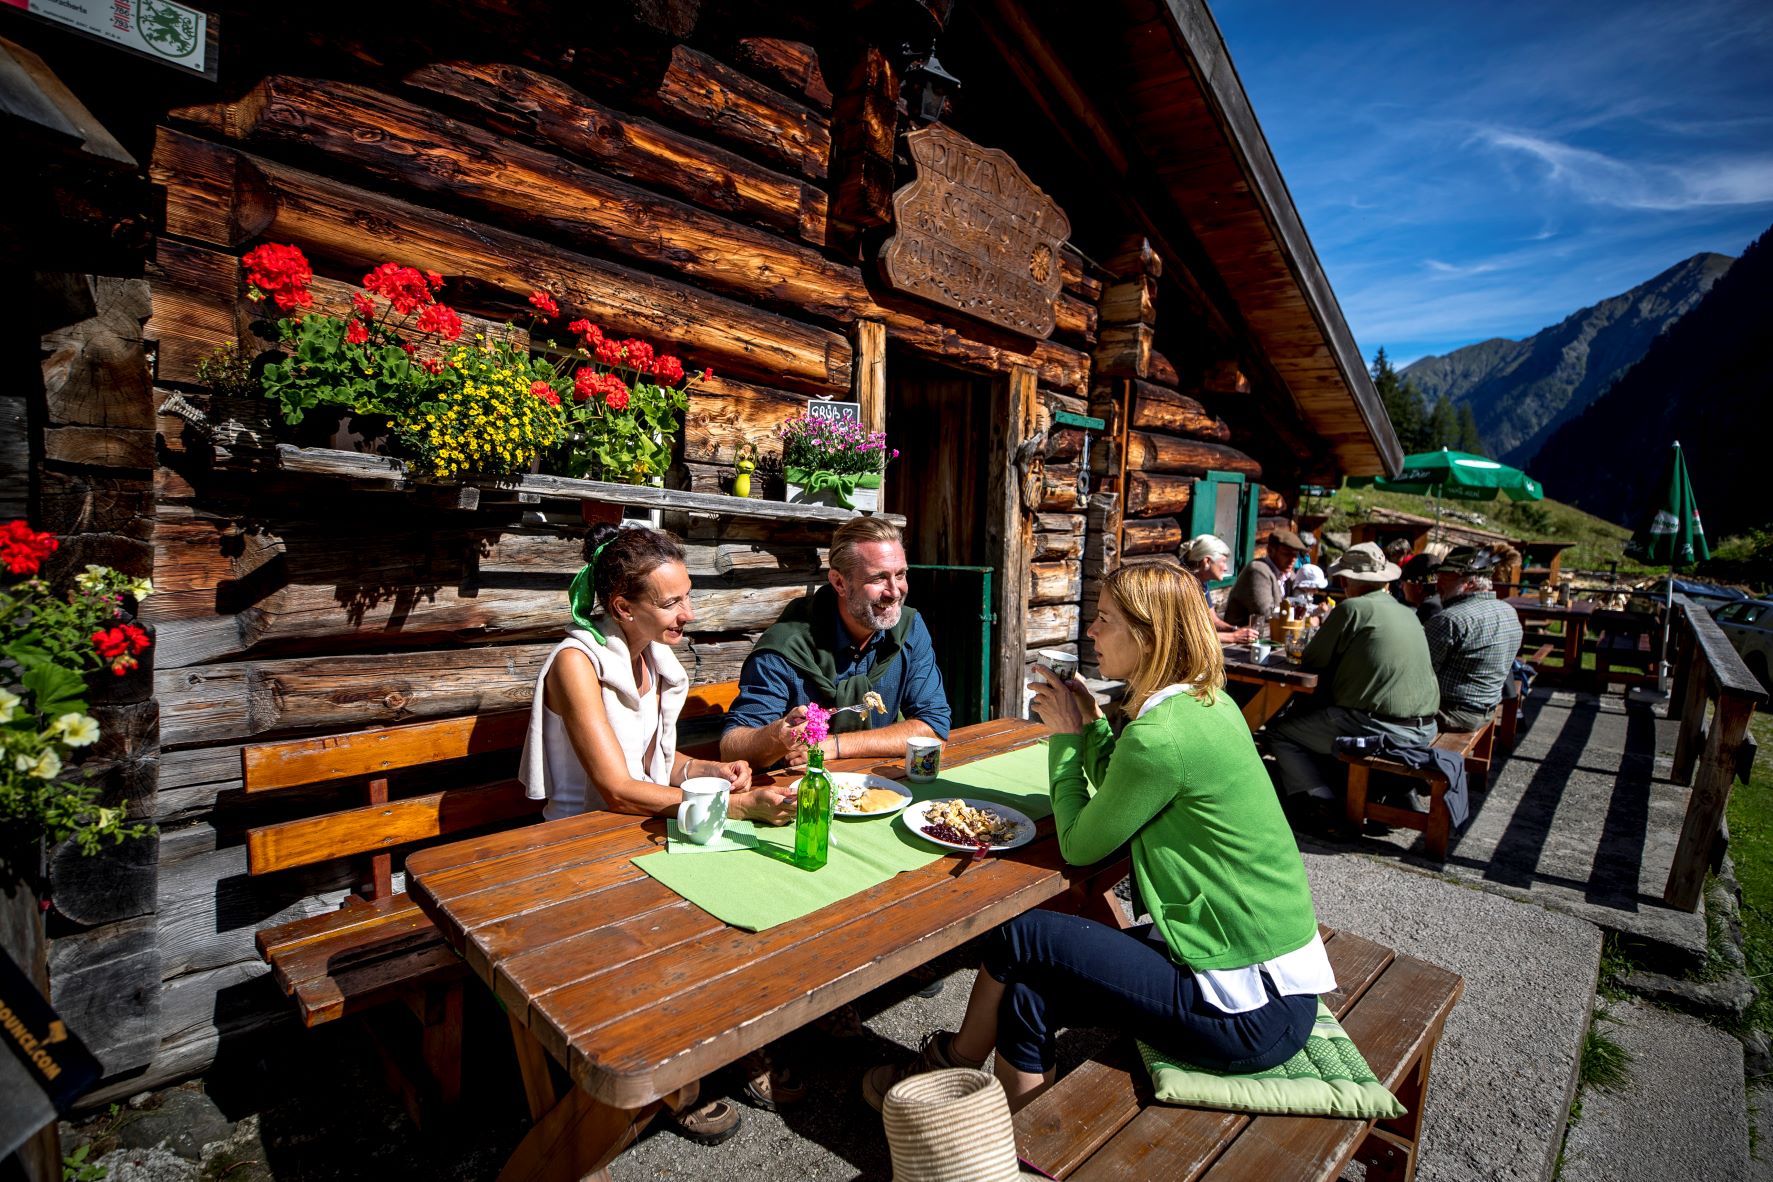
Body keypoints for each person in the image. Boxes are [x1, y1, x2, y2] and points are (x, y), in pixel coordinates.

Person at [861, 563, 1333, 1113]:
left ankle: (950, 1065)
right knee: (1027, 992)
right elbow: (1126, 790)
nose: (1090, 631)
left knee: (1022, 934)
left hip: (1245, 1004)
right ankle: (1026, 1144)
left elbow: (1081, 846)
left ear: (1148, 635)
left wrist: (1065, 742)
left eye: (1104, 619)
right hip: (1259, 969)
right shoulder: (1206, 703)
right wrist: (1093, 727)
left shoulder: (1163, 735)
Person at [518, 523, 797, 1143]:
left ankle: (724, 1041)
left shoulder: (652, 660)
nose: (688, 615)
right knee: (694, 911)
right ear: (623, 606)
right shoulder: (576, 662)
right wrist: (740, 808)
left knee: (753, 889)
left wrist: (712, 772)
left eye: (686, 597)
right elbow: (616, 787)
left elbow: (656, 763)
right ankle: (673, 1077)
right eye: (672, 603)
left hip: (633, 828)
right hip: (577, 847)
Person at [721, 517, 951, 768]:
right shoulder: (786, 647)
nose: (894, 592)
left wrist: (835, 746)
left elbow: (934, 728)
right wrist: (778, 736)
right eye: (878, 578)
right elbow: (732, 749)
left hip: (880, 787)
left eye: (901, 574)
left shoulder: (908, 628)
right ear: (839, 582)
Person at [1264, 542, 1440, 813]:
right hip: (1425, 728)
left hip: (1379, 728)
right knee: (1323, 716)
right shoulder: (1408, 612)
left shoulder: (1352, 609)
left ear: (1346, 580)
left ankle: (1320, 802)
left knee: (1278, 731)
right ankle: (1380, 788)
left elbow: (1312, 660)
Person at [1425, 546, 1524, 733]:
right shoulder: (1508, 611)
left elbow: (1419, 674)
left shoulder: (1450, 619)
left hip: (1450, 712)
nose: (1438, 584)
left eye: (1446, 577)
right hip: (1486, 710)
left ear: (1469, 583)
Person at [1178, 533, 1257, 643]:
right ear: (1207, 561)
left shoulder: (1201, 581)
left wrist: (1235, 630)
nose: (1226, 568)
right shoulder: (1182, 584)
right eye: (1223, 562)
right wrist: (1233, 637)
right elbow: (1188, 634)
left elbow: (1213, 621)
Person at [1224, 528, 1305, 633]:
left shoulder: (1289, 574)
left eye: (1295, 555)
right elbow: (1265, 614)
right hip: (1239, 638)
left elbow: (1300, 604)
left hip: (1271, 634)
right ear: (1271, 551)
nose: (1292, 560)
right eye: (1286, 554)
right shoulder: (1258, 570)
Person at [1400, 552, 1444, 625]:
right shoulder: (1438, 602)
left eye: (1404, 583)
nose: (1401, 587)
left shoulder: (1428, 610)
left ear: (1419, 587)